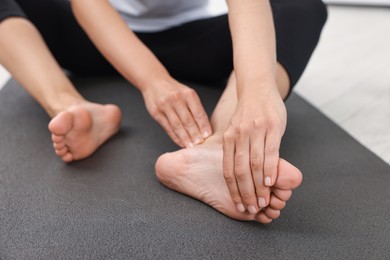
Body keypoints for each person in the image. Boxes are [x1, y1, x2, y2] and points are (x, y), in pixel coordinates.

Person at [0, 0, 327, 223]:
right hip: (93, 40)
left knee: (302, 6)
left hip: (193, 40)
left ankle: (220, 148)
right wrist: (152, 81)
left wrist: (258, 90)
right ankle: (71, 105)